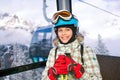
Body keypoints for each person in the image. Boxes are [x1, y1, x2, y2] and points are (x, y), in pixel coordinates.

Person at [41, 10, 102, 80]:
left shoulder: (85, 50)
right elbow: (44, 78)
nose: (63, 33)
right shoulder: (53, 52)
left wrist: (81, 72)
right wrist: (52, 74)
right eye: (60, 30)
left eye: (67, 29)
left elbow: (97, 78)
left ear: (74, 31)